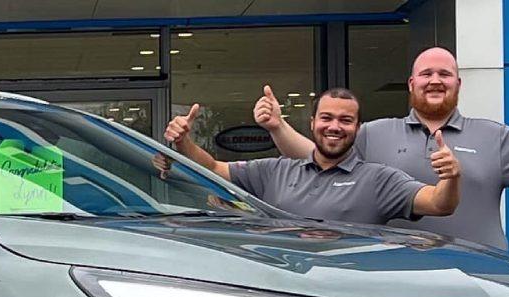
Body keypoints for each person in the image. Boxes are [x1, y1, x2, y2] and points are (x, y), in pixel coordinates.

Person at [255, 47, 509, 248]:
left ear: (458, 84)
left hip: (481, 280)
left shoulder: (493, 136)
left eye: (444, 74)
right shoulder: (373, 134)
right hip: (393, 281)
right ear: (411, 84)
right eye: (426, 74)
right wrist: (278, 127)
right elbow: (318, 157)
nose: (435, 80)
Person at [164, 89, 462, 226]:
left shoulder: (379, 180)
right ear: (312, 123)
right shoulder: (275, 171)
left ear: (358, 128)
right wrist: (183, 142)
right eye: (327, 118)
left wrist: (451, 176)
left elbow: (439, 204)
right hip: (286, 295)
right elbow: (213, 168)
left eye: (345, 120)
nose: (335, 127)